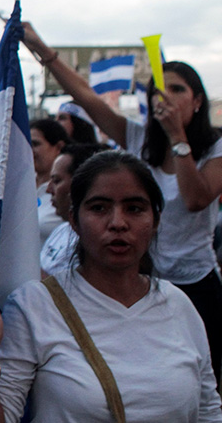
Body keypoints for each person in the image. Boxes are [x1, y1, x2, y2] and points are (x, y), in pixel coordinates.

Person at [24, 23, 222, 381]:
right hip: (144, 280)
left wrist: (177, 136)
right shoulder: (137, 138)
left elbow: (196, 199)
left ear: (197, 101)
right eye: (158, 91)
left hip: (196, 284)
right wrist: (41, 48)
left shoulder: (215, 150)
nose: (166, 97)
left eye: (177, 90)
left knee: (196, 378)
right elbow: (86, 97)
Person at [0, 151, 222, 422]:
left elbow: (208, 412)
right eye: (99, 208)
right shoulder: (35, 305)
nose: (118, 223)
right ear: (74, 220)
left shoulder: (178, 305)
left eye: (134, 208)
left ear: (155, 221)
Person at [40, 143, 109, 277]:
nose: (48, 190)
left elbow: (74, 294)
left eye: (57, 181)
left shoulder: (96, 241)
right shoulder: (60, 231)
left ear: (79, 184)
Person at [30, 118, 70, 245]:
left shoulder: (66, 192)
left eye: (35, 144)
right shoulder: (20, 187)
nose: (29, 150)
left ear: (59, 147)